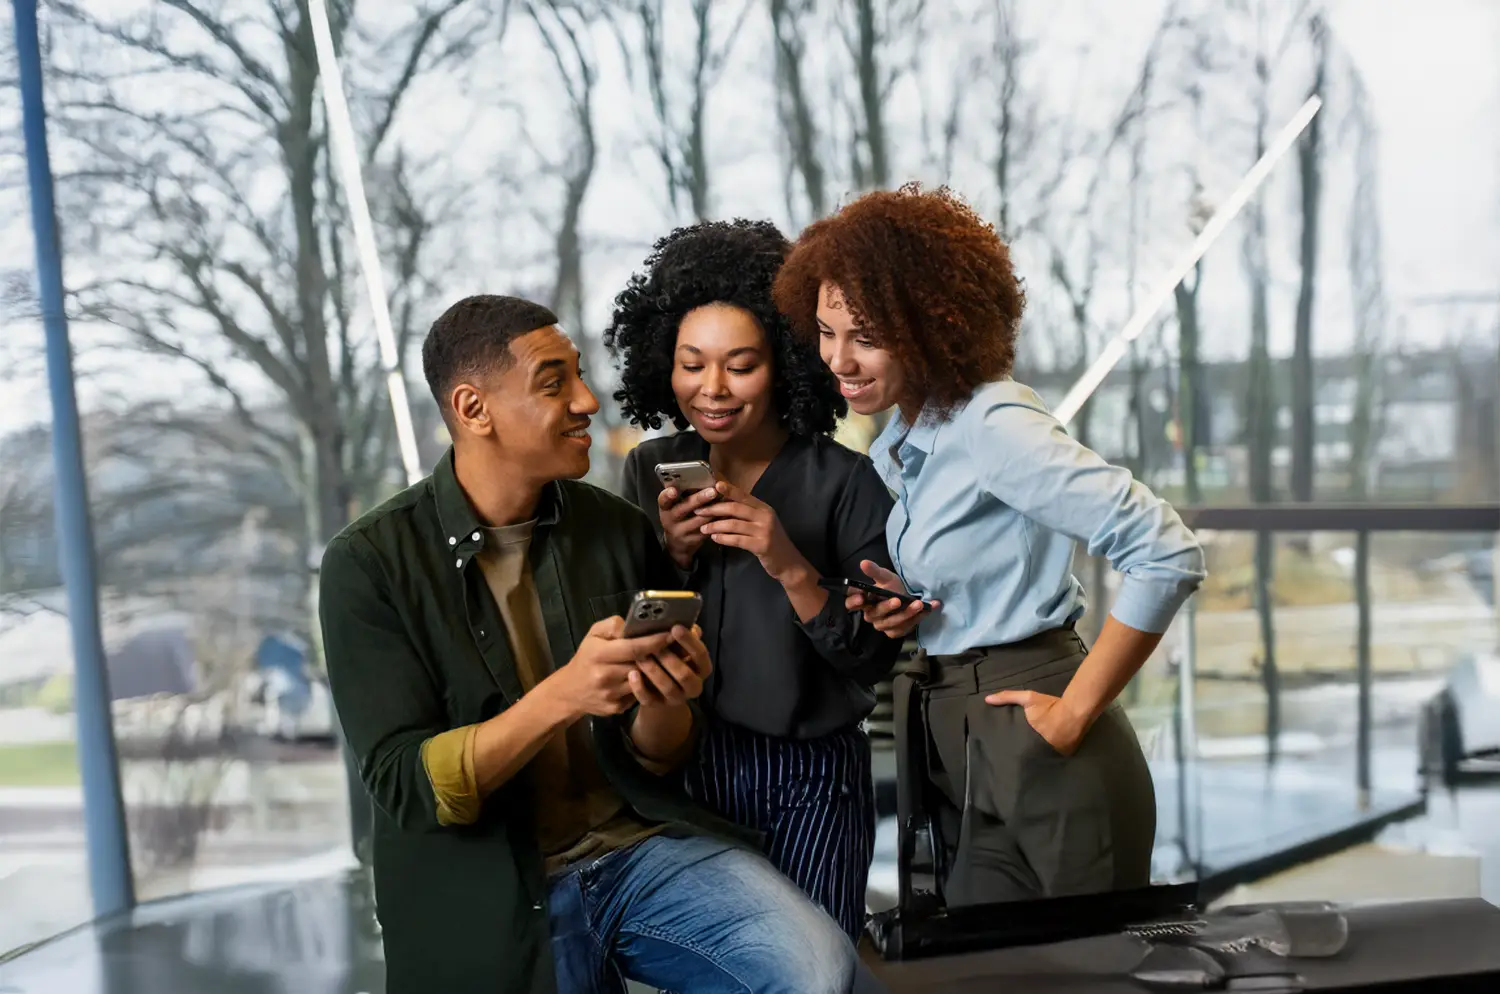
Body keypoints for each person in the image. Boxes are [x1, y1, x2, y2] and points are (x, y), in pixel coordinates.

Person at [318, 295, 865, 994]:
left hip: (635, 854)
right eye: (555, 383)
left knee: (819, 968)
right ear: (473, 409)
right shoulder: (367, 563)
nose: (586, 400)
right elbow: (408, 786)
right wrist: (564, 695)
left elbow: (659, 755)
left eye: (579, 374)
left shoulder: (616, 527)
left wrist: (668, 699)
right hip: (491, 889)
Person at [772, 184, 1208, 907]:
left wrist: (1072, 713)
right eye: (825, 332)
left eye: (866, 336)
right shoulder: (910, 441)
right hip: (962, 737)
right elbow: (989, 571)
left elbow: (1165, 551)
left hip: (1040, 725)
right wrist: (910, 602)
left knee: (1088, 961)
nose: (838, 359)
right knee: (985, 958)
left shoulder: (992, 423)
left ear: (927, 327)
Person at [606, 220, 902, 940]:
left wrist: (787, 561)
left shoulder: (845, 482)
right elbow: (620, 625)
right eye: (691, 364)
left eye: (740, 366)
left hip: (811, 779)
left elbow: (873, 655)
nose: (712, 389)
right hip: (685, 767)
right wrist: (673, 554)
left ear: (786, 364)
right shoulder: (647, 470)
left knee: (817, 963)